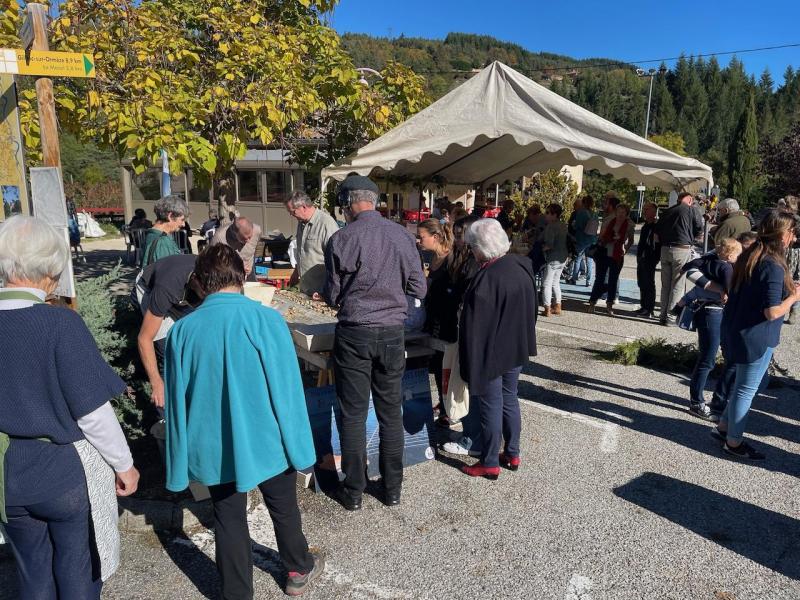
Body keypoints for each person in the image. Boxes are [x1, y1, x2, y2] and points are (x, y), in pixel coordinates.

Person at [165, 245, 324, 597]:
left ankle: (236, 593)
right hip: (267, 438)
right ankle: (298, 568)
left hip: (213, 444)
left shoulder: (182, 331)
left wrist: (177, 465)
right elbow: (287, 391)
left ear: (201, 282)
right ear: (243, 276)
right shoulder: (266, 320)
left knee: (227, 517)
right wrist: (301, 449)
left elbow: (177, 401)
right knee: (283, 506)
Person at [0, 216, 139, 599]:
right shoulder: (59, 324)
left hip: (6, 473)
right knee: (78, 567)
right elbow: (92, 413)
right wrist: (124, 465)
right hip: (61, 471)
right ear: (49, 269)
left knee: (31, 572)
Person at [323, 176, 426, 510]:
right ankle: (392, 489)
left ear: (350, 202)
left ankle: (353, 492)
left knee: (352, 415)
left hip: (354, 332)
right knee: (389, 413)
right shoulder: (401, 235)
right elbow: (419, 288)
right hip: (392, 331)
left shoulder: (341, 239)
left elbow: (334, 295)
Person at [710, 210, 800, 459]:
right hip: (755, 336)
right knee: (745, 390)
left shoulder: (751, 254)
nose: (793, 238)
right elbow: (772, 311)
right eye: (792, 233)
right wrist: (794, 297)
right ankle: (734, 442)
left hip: (739, 330)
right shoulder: (771, 265)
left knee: (746, 385)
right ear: (783, 234)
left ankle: (725, 428)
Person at [458, 219, 537, 479]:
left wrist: (470, 363)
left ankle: (490, 460)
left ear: (481, 248)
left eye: (472, 247)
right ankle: (512, 452)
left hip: (492, 351)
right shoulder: (520, 265)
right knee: (510, 398)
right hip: (516, 345)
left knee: (491, 404)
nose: (471, 252)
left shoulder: (486, 279)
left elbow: (474, 328)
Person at [681, 238, 743, 421]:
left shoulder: (710, 259)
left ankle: (715, 400)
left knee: (718, 356)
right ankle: (696, 402)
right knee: (707, 358)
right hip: (711, 311)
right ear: (731, 254)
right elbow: (689, 270)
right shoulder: (725, 267)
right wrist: (721, 290)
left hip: (715, 311)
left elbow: (689, 266)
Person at [135, 254, 199, 412]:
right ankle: (165, 413)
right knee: (168, 348)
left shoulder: (219, 279)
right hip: (148, 286)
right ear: (195, 280)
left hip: (181, 292)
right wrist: (156, 382)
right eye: (204, 292)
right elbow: (144, 338)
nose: (206, 296)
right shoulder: (167, 286)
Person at [417, 219, 457, 424]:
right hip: (433, 318)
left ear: (436, 237)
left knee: (446, 366)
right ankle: (442, 405)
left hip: (446, 321)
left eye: (422, 236)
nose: (419, 240)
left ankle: (451, 410)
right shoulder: (433, 258)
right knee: (437, 365)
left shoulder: (451, 259)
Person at [655, 191, 703, 325]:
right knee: (677, 284)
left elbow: (657, 232)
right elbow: (699, 228)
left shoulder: (668, 211)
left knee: (665, 285)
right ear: (689, 199)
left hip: (665, 249)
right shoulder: (691, 210)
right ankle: (670, 317)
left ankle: (662, 316)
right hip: (681, 249)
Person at [285, 191, 340, 296]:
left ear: (304, 207)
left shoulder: (326, 224)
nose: (291, 215)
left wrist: (329, 291)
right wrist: (296, 272)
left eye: (293, 212)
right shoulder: (301, 223)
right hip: (306, 289)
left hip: (322, 292)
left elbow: (336, 260)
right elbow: (302, 251)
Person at [588, 203, 634, 316]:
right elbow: (601, 236)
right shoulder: (609, 220)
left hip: (617, 254)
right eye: (618, 212)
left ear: (627, 213)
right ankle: (592, 303)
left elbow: (631, 240)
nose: (620, 214)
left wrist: (626, 249)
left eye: (623, 212)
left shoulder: (630, 224)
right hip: (604, 252)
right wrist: (610, 237)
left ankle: (609, 305)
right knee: (600, 279)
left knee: (613, 281)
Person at [142, 195, 189, 268]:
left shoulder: (151, 235)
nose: (183, 224)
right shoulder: (162, 242)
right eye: (182, 220)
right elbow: (169, 274)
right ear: (170, 216)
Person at [541, 203, 568, 317]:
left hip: (553, 258)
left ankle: (547, 308)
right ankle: (558, 305)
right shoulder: (563, 225)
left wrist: (542, 248)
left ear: (554, 215)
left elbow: (549, 244)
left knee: (546, 283)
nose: (545, 215)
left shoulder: (551, 226)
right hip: (563, 257)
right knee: (556, 282)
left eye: (548, 213)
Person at [635, 202, 661, 318]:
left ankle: (649, 308)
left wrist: (654, 256)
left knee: (648, 282)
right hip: (642, 257)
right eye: (644, 209)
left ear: (654, 212)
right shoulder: (646, 225)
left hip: (650, 257)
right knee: (641, 282)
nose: (644, 211)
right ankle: (643, 306)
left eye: (647, 209)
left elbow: (656, 243)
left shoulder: (657, 226)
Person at [568, 195, 599, 287]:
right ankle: (588, 281)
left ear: (584, 203)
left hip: (581, 239)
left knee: (578, 259)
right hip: (592, 240)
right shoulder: (594, 213)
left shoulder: (581, 213)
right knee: (589, 261)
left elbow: (576, 226)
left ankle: (574, 278)